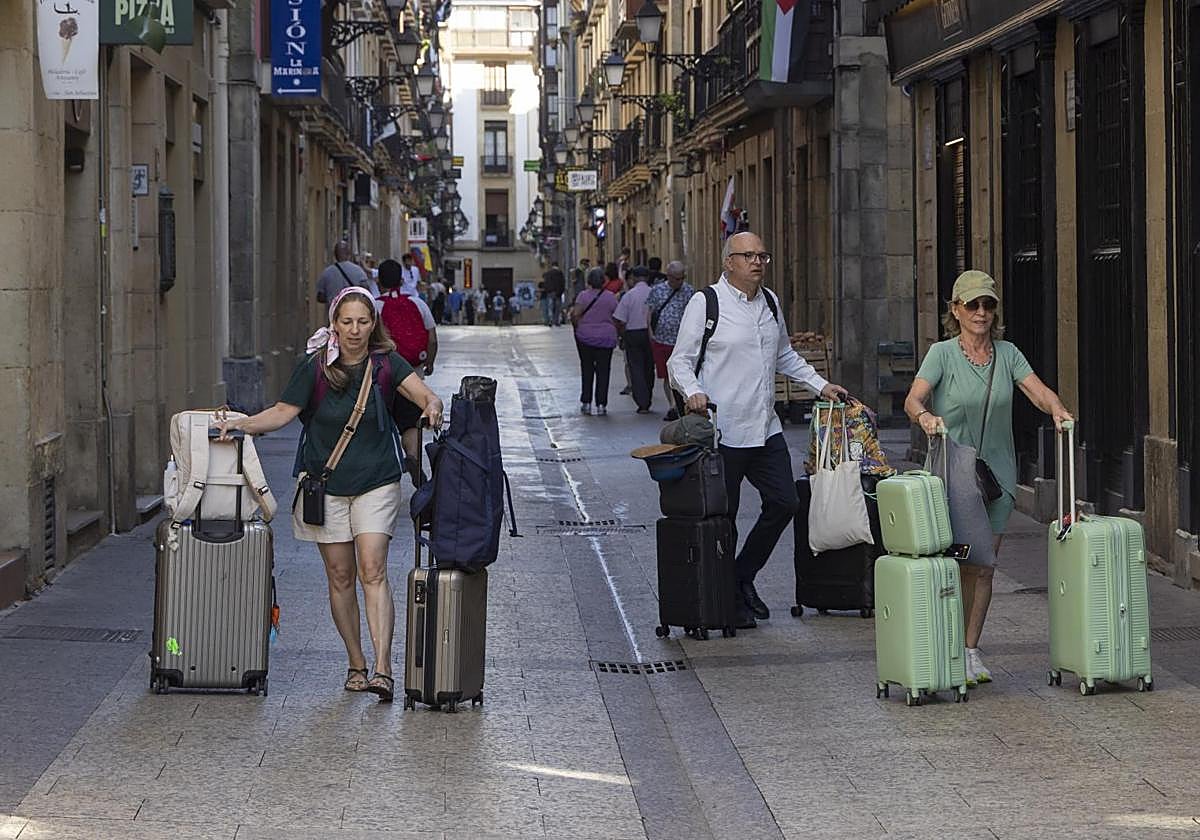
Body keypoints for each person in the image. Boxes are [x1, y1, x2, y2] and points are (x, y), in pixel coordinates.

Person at [215, 286, 444, 702]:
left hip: (378, 478)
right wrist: (242, 424)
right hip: (326, 483)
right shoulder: (315, 367)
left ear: (373, 324)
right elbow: (284, 412)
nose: (355, 330)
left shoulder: (386, 362)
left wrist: (432, 404)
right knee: (340, 576)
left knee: (372, 568)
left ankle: (383, 668)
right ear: (334, 324)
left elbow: (422, 392)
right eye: (347, 321)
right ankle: (356, 663)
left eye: (363, 321)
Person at [668, 231, 847, 629]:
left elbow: (783, 354)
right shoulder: (706, 303)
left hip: (765, 428)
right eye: (747, 256)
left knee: (786, 502)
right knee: (724, 518)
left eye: (762, 256)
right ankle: (728, 598)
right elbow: (679, 362)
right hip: (722, 431)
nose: (757, 262)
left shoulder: (770, 302)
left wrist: (821, 385)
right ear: (728, 262)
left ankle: (741, 576)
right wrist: (694, 391)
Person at [904, 269, 1072, 686]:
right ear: (956, 310)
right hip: (953, 476)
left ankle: (969, 650)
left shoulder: (1007, 353)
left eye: (988, 305)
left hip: (996, 478)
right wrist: (924, 417)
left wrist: (1057, 410)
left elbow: (1037, 390)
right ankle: (946, 646)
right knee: (958, 564)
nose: (981, 312)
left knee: (984, 566)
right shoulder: (942, 354)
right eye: (973, 304)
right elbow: (913, 398)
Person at [377, 259, 439, 484]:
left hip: (380, 378)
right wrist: (429, 364)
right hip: (411, 376)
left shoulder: (375, 307)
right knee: (411, 425)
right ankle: (412, 455)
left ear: (378, 281)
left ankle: (382, 472)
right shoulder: (418, 303)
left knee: (377, 426)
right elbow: (431, 338)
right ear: (402, 280)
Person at [646, 260, 693, 421]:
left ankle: (680, 404)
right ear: (669, 276)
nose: (680, 282)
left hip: (682, 341)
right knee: (667, 375)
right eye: (676, 278)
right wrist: (650, 331)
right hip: (662, 339)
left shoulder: (689, 291)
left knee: (682, 373)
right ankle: (672, 405)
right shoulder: (657, 290)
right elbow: (650, 312)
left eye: (682, 278)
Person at [572, 267, 620, 416]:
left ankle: (586, 402)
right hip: (606, 338)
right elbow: (617, 317)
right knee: (604, 370)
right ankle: (601, 404)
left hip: (585, 337)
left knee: (587, 368)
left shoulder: (583, 296)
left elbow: (575, 314)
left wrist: (578, 328)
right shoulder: (611, 297)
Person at [613, 265, 655, 414]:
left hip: (633, 333)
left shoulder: (629, 296)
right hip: (650, 334)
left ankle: (642, 402)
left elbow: (619, 319)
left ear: (635, 278)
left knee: (636, 367)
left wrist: (621, 335)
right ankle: (648, 397)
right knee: (649, 367)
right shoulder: (654, 293)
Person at [316, 241, 370, 306]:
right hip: (354, 310)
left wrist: (332, 297)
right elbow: (366, 291)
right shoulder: (358, 270)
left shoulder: (326, 273)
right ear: (348, 253)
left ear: (335, 255)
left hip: (334, 311)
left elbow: (320, 297)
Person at [541, 261, 566, 326]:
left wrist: (548, 290)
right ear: (557, 266)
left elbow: (546, 283)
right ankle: (556, 321)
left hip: (550, 293)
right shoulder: (560, 273)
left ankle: (550, 320)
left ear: (552, 266)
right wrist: (561, 291)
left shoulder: (548, 273)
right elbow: (563, 283)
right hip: (558, 293)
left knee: (550, 307)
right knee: (557, 308)